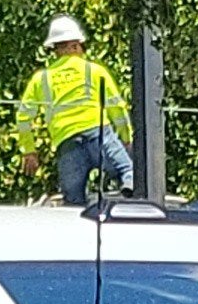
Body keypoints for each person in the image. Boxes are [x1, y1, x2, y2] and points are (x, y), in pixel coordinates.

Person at [12, 15, 136, 206]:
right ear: (76, 46)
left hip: (67, 144)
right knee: (128, 171)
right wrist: (125, 138)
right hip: (99, 135)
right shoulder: (95, 71)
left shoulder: (41, 79)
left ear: (55, 50)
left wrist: (29, 151)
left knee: (73, 203)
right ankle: (129, 197)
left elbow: (23, 118)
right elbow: (116, 108)